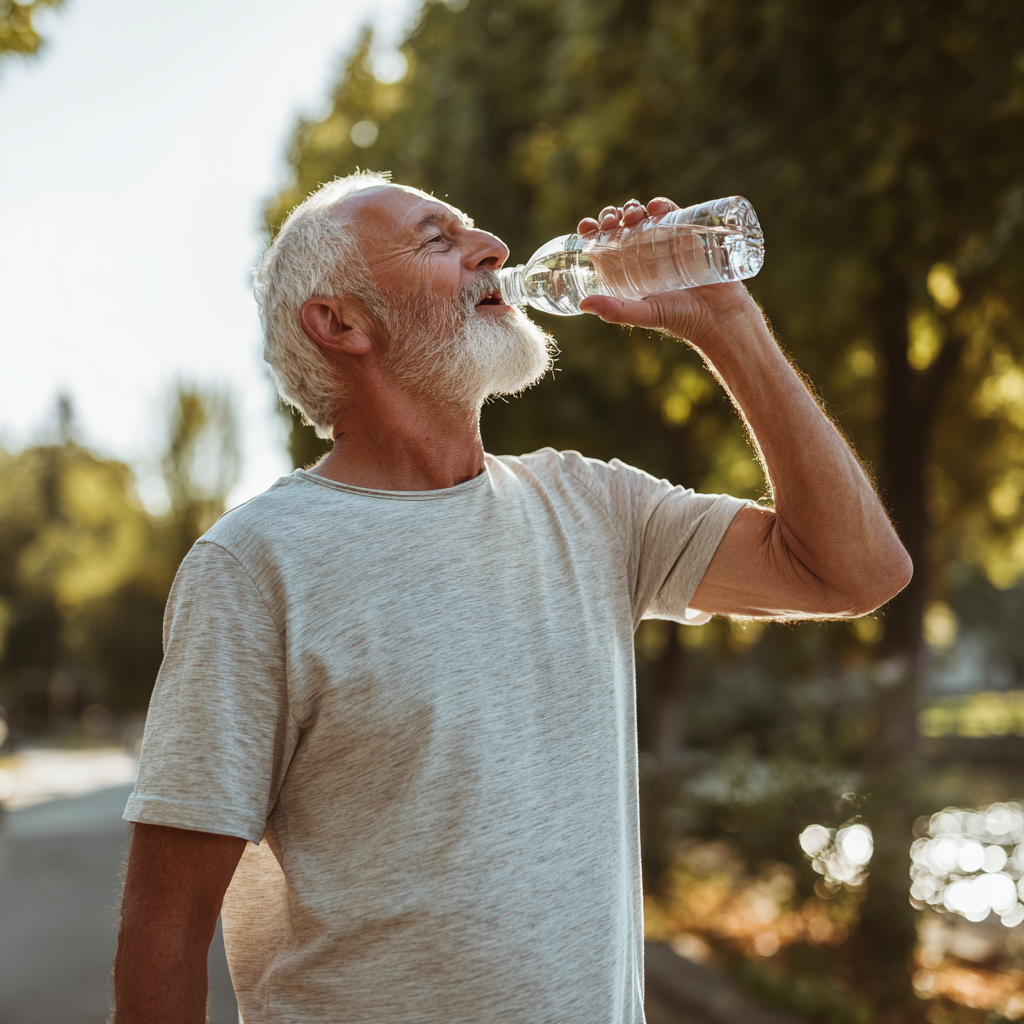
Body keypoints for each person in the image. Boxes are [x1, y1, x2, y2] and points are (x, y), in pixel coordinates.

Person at [112, 171, 911, 1024]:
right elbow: (164, 928)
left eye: (474, 230)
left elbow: (854, 572)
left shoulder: (594, 507)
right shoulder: (255, 563)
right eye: (436, 240)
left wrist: (729, 326)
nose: (492, 249)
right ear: (341, 322)